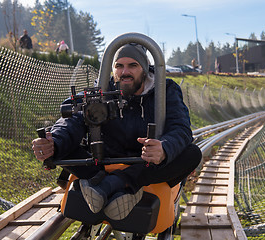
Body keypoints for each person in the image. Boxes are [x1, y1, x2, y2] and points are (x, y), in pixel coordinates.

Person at [32, 43, 201, 221]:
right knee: (63, 144)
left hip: (146, 163)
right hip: (103, 162)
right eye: (119, 66)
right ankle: (108, 183)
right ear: (112, 69)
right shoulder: (102, 88)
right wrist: (54, 142)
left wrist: (164, 148)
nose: (124, 72)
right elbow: (73, 121)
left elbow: (181, 128)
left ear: (144, 68)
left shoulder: (165, 90)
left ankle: (112, 184)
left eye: (133, 65)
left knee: (191, 154)